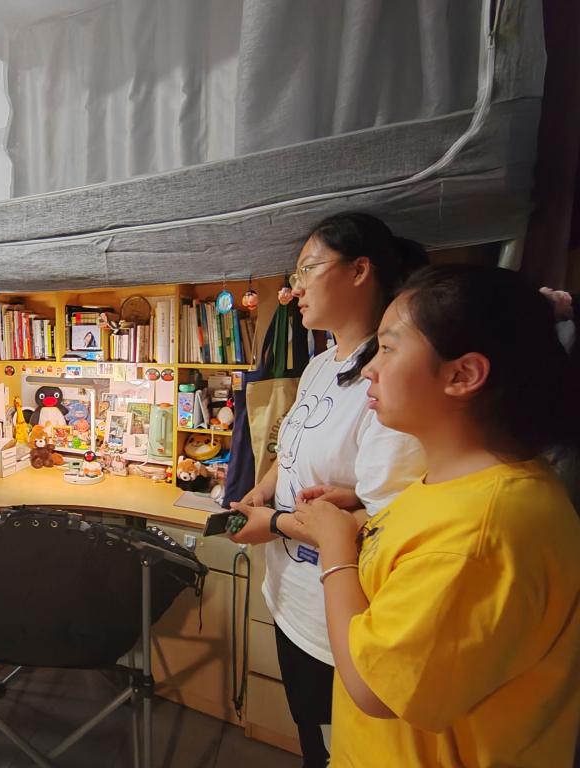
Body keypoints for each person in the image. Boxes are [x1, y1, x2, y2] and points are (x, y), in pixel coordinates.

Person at [294, 265, 580, 766]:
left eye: (388, 348)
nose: (369, 369)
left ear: (462, 374)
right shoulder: (458, 483)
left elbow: (374, 690)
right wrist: (358, 517)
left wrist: (335, 549)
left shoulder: (485, 532)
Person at [229, 213, 427, 767]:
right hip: (290, 595)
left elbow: (385, 521)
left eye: (307, 270)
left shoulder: (388, 384)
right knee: (311, 738)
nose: (294, 290)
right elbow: (290, 446)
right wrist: (261, 491)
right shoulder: (320, 365)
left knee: (337, 749)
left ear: (360, 270)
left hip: (337, 617)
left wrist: (273, 524)